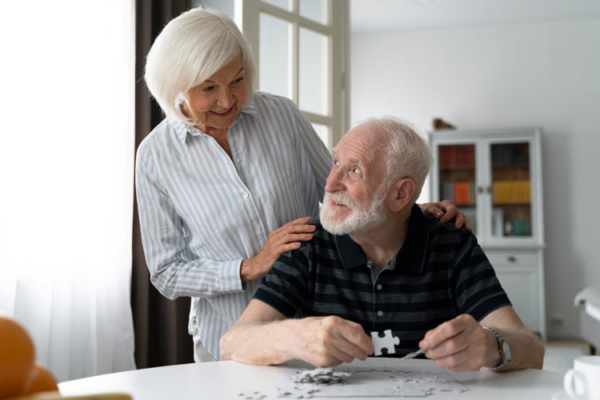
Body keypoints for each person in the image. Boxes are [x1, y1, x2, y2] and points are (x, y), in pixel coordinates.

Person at [136, 8, 468, 362]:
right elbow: (166, 272)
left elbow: (344, 196)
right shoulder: (155, 157)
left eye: (238, 79)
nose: (228, 99)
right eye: (208, 89)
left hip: (315, 329)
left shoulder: (282, 116)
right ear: (176, 86)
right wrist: (249, 265)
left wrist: (407, 210)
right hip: (229, 338)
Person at [220, 116, 545, 372]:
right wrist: (294, 337)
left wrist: (490, 346)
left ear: (401, 194)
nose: (330, 184)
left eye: (355, 170)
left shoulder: (453, 243)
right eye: (335, 163)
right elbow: (232, 344)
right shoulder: (307, 243)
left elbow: (532, 350)